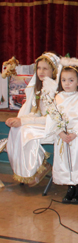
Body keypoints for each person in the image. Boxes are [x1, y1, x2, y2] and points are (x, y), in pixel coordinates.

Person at [44, 59, 78, 203]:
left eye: (71, 80)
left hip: (77, 137)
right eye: (63, 80)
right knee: (64, 162)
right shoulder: (58, 98)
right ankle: (70, 188)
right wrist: (60, 132)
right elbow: (53, 116)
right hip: (62, 138)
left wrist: (75, 133)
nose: (67, 83)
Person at [5, 52, 61, 186]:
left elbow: (51, 119)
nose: (40, 72)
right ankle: (25, 172)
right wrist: (19, 120)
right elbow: (36, 114)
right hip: (43, 124)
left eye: (45, 68)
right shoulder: (39, 89)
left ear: (54, 71)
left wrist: (23, 121)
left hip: (55, 127)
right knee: (17, 129)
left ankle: (39, 166)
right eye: (39, 68)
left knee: (26, 131)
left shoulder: (56, 91)